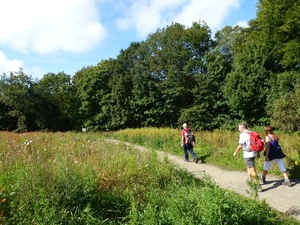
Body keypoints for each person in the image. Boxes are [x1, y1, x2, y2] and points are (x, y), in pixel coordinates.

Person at [233, 122, 262, 192]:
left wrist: (235, 152)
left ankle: (257, 185)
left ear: (242, 128)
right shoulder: (251, 133)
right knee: (249, 167)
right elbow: (258, 143)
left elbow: (240, 145)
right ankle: (249, 179)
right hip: (253, 153)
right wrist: (258, 153)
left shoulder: (243, 135)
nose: (238, 129)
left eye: (239, 128)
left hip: (248, 154)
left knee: (252, 170)